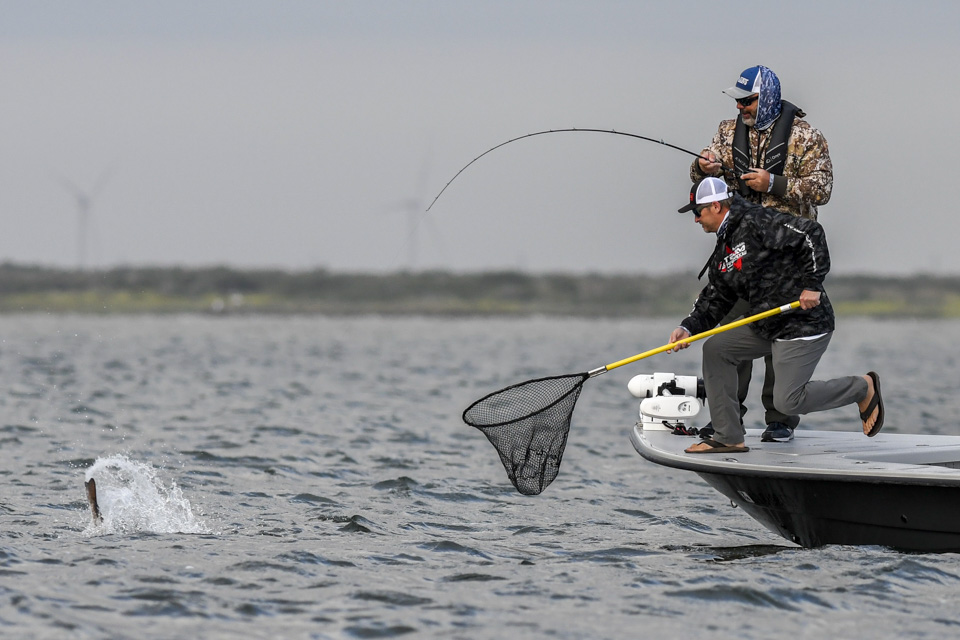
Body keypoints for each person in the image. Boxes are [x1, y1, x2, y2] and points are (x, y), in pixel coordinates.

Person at [670, 177, 883, 454]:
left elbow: (811, 233)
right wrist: (688, 328)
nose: (696, 219)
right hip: (768, 325)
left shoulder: (758, 220)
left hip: (803, 323)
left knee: (788, 402)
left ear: (716, 206)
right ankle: (728, 436)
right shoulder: (725, 247)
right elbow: (717, 296)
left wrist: (812, 284)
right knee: (716, 350)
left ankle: (862, 388)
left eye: (698, 212)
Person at [690, 65, 834, 443]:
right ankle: (726, 420)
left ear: (767, 97)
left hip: (787, 259)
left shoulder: (806, 136)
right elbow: (704, 183)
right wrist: (702, 167)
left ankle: (781, 420)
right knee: (729, 331)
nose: (741, 108)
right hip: (741, 254)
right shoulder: (726, 132)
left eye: (748, 101)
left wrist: (774, 183)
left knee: (781, 339)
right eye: (738, 102)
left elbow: (822, 189)